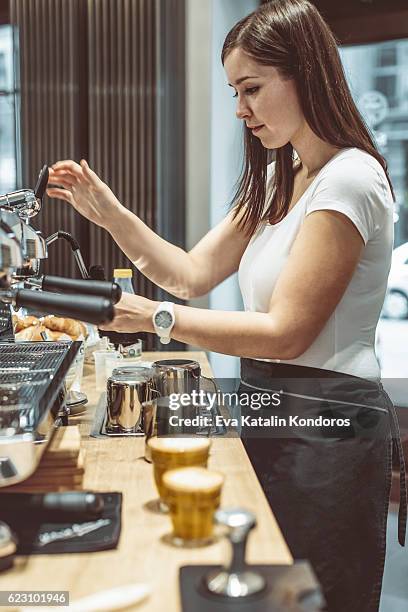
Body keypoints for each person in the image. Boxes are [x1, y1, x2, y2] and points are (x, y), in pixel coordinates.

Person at [47, 1, 406, 610]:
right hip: (274, 408)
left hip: (331, 426)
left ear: (307, 74)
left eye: (252, 89)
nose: (240, 110)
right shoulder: (280, 176)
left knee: (318, 596)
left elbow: (288, 333)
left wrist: (153, 318)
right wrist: (110, 215)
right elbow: (189, 275)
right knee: (272, 584)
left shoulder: (350, 180)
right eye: (235, 91)